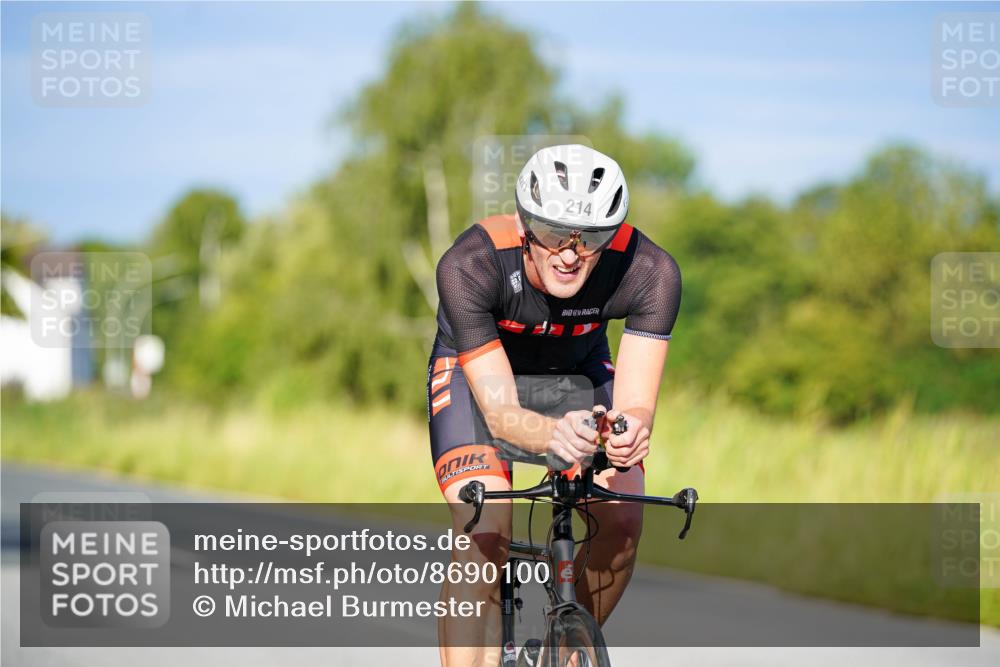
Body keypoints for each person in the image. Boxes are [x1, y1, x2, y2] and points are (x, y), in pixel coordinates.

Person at [428, 144, 681, 666]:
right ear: (524, 226)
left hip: (577, 374)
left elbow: (636, 404)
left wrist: (632, 428)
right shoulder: (471, 265)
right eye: (551, 233)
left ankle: (568, 650)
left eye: (591, 237)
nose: (570, 253)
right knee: (486, 525)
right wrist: (552, 437)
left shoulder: (650, 271)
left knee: (624, 518)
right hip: (483, 381)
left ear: (613, 234)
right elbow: (501, 415)